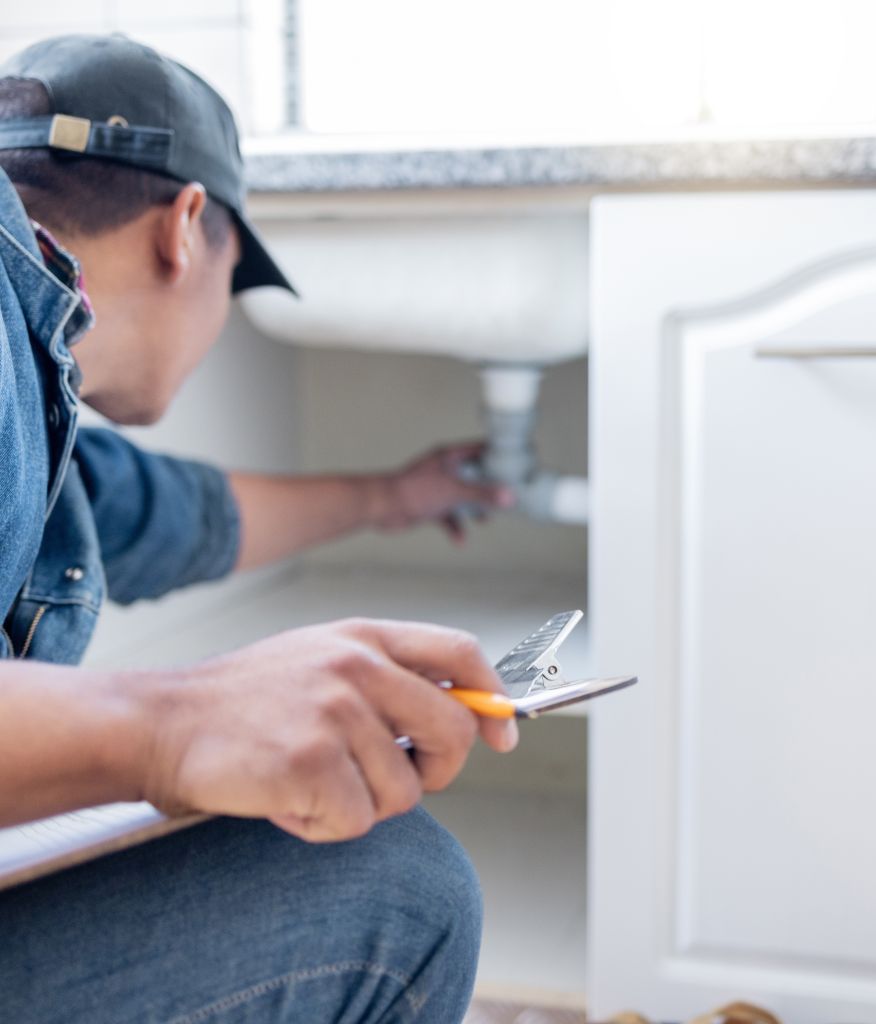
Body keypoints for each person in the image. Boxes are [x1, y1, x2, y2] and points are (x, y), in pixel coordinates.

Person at [0, 33, 519, 1024]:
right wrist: (176, 724)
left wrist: (389, 497)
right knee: (400, 891)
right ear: (187, 227)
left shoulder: (40, 414)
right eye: (234, 282)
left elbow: (187, 517)